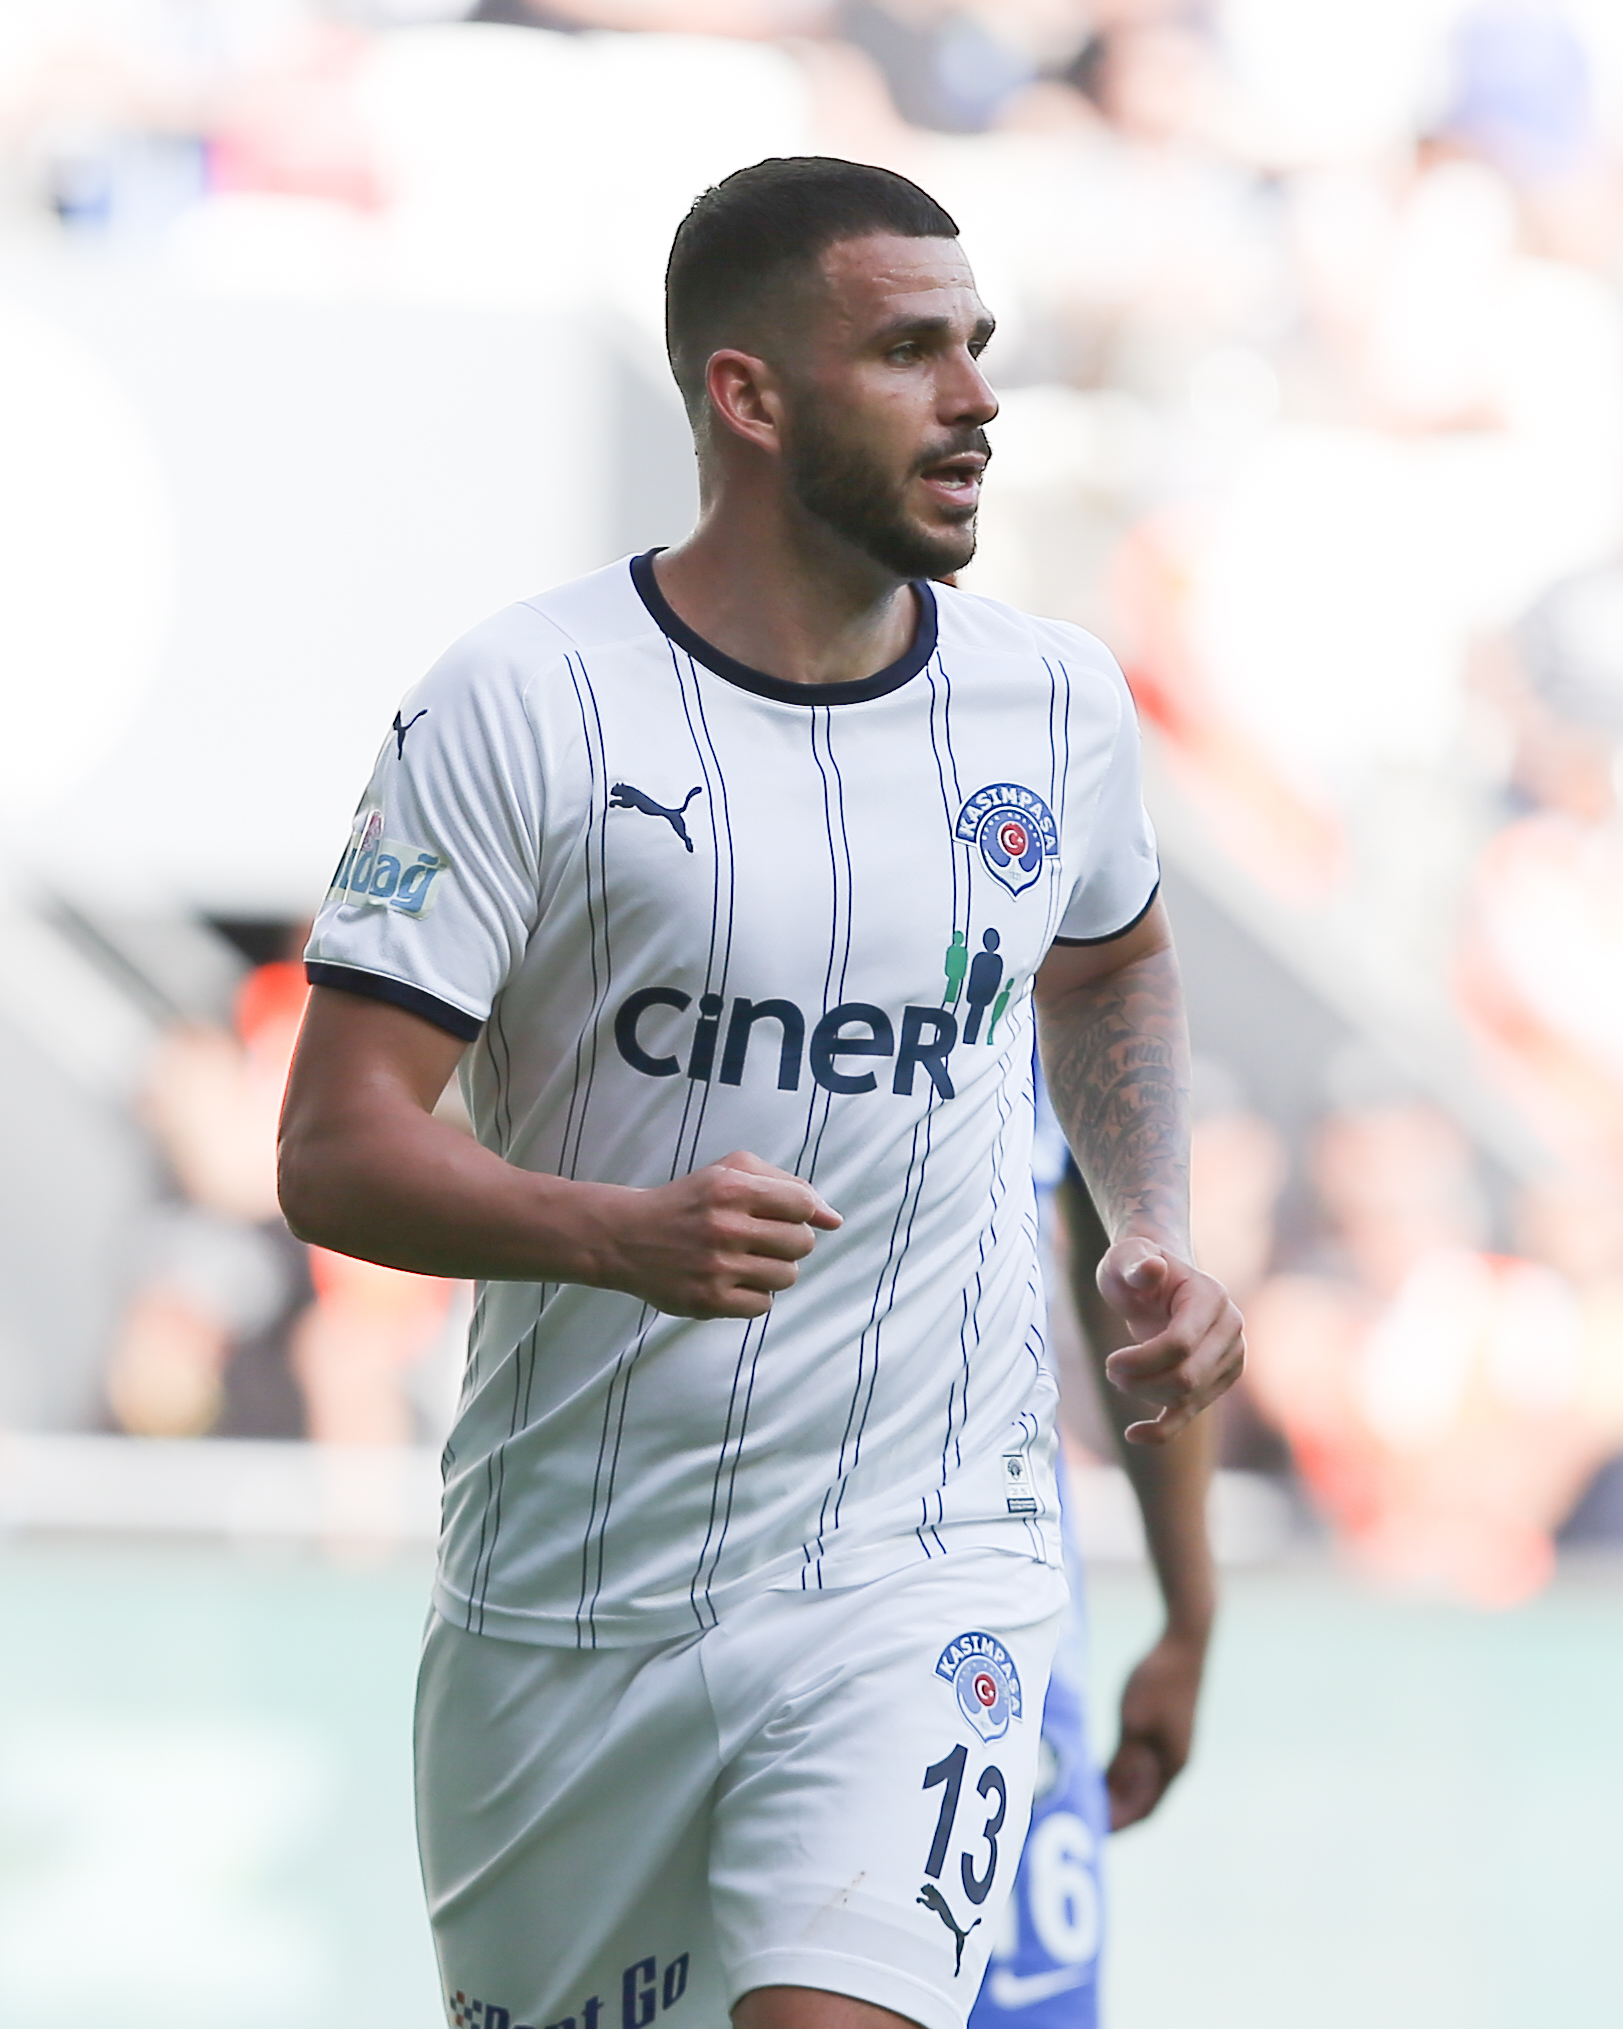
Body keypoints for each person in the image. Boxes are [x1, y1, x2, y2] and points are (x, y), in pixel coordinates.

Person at [278, 156, 1242, 2029]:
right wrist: (612, 1234)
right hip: (570, 1602)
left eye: (979, 345)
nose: (977, 398)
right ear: (749, 396)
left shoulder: (1055, 704)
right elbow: (334, 1147)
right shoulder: (522, 701)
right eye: (909, 351)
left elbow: (1109, 955)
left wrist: (1154, 1226)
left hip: (924, 1575)